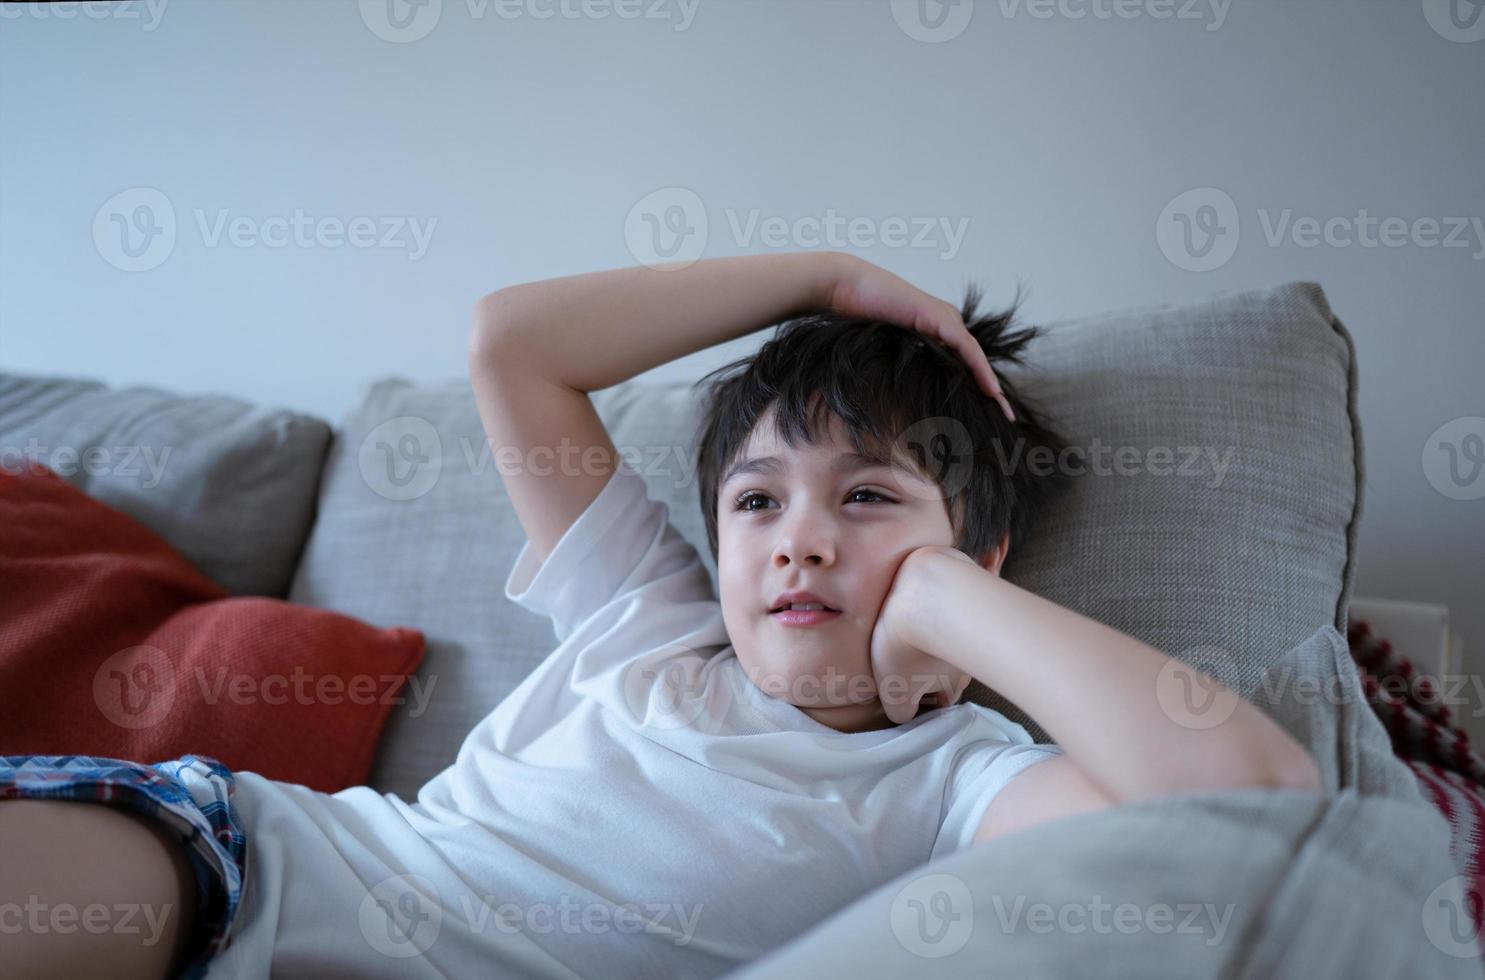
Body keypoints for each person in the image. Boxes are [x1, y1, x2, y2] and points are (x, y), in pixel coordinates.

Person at [0, 250, 1321, 979]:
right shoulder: (648, 616)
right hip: (244, 862)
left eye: (864, 497)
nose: (798, 534)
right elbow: (511, 342)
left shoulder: (956, 782)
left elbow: (1251, 804)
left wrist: (939, 595)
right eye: (757, 504)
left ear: (980, 549)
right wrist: (820, 273)